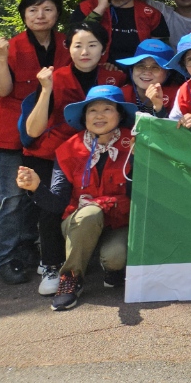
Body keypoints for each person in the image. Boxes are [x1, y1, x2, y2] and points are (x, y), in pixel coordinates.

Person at [18, 22, 125, 297]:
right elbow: (32, 130)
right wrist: (45, 90)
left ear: (103, 49)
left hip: (109, 147)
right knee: (54, 206)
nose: (85, 51)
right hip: (61, 150)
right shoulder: (54, 77)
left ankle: (108, 260)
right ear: (68, 48)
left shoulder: (114, 77)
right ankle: (53, 264)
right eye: (78, 45)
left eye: (92, 45)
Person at [15, 85, 137, 311]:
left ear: (120, 115)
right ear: (84, 117)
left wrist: (138, 164)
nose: (99, 115)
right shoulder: (68, 149)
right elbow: (57, 203)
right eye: (92, 110)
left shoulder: (135, 144)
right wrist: (36, 187)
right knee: (91, 212)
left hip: (120, 222)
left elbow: (141, 195)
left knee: (115, 258)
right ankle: (71, 278)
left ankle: (111, 268)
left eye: (108, 109)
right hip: (80, 223)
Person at [0, 0, 69, 285]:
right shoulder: (11, 46)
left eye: (47, 9)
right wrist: (0, 58)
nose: (40, 15)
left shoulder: (67, 43)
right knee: (11, 197)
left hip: (51, 132)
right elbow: (2, 91)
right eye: (33, 10)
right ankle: (6, 259)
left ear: (57, 14)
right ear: (24, 15)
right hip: (11, 130)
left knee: (38, 194)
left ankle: (29, 247)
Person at [115, 38, 178, 117]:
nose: (146, 72)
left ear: (168, 73)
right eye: (140, 66)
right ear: (132, 69)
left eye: (155, 67)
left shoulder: (178, 97)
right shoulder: (121, 95)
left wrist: (159, 108)